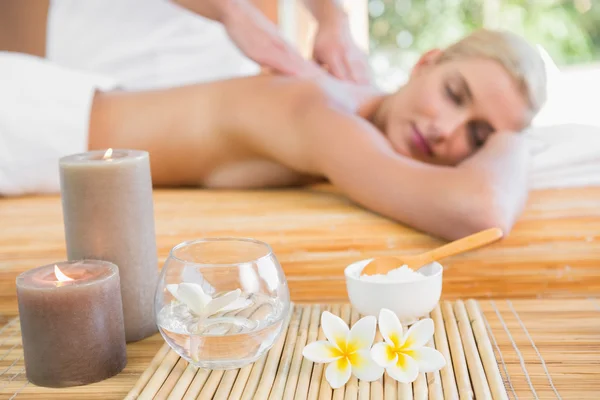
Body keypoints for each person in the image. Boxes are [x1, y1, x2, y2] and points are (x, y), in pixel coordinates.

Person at [84, 29, 547, 240]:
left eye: (479, 137)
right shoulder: (324, 110)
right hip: (42, 129)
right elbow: (480, 209)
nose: (446, 131)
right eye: (453, 93)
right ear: (425, 63)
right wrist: (513, 140)